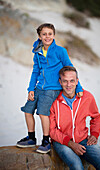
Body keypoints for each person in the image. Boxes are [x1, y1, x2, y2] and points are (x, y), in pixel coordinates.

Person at [16, 23, 83, 153]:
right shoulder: (37, 52)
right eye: (44, 34)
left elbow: (70, 68)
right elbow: (35, 71)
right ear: (40, 36)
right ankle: (31, 138)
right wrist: (30, 89)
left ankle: (46, 141)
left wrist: (78, 88)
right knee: (27, 110)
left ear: (54, 35)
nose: (47, 36)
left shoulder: (60, 51)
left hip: (53, 88)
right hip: (39, 87)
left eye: (50, 34)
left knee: (43, 113)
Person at [49, 66, 100, 169]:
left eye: (72, 81)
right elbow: (52, 130)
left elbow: (96, 118)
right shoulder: (53, 101)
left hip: (83, 140)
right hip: (61, 142)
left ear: (77, 81)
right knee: (77, 166)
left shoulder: (87, 97)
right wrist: (70, 143)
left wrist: (94, 134)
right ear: (60, 81)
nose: (68, 85)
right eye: (65, 81)